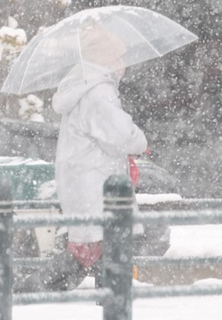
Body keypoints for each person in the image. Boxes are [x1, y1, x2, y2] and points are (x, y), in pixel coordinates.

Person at [14, 24, 147, 292]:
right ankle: (31, 295)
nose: (124, 64)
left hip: (86, 183)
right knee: (96, 250)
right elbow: (119, 134)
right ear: (103, 58)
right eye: (118, 57)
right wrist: (141, 141)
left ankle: (37, 295)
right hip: (97, 186)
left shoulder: (84, 86)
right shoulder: (97, 92)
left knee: (94, 249)